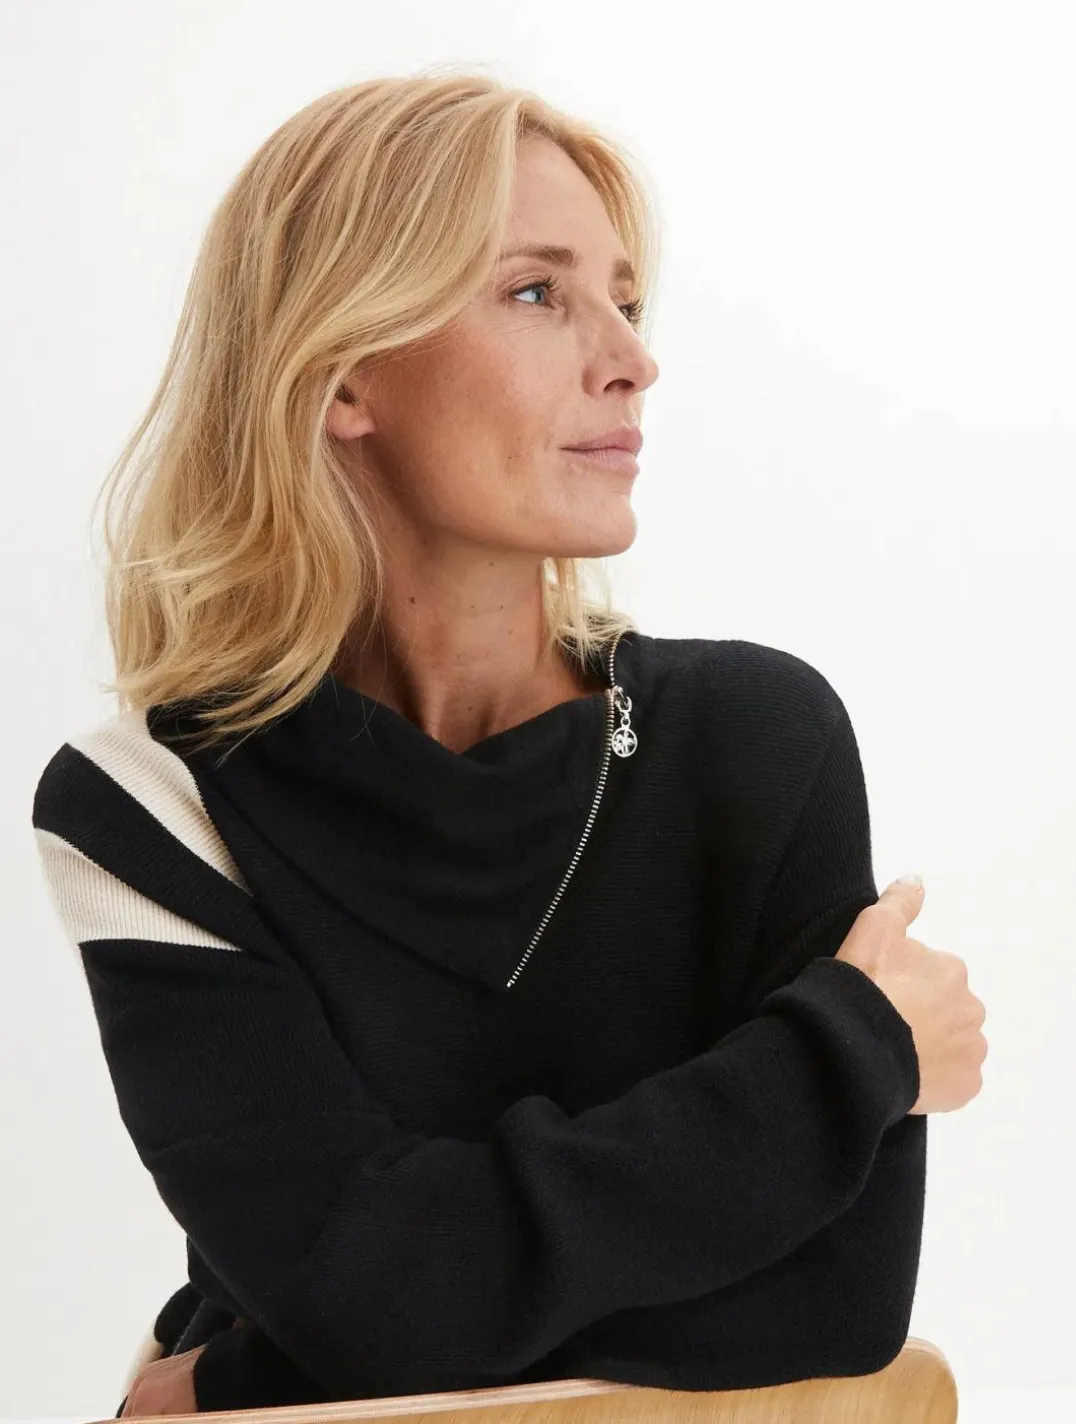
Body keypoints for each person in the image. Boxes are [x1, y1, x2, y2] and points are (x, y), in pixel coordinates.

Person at [31, 69, 985, 1417]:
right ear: (343, 372)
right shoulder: (149, 806)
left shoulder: (754, 740)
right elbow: (362, 1294)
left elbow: (830, 1306)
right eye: (538, 292)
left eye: (626, 300)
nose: (631, 358)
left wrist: (256, 1372)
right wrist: (850, 1058)